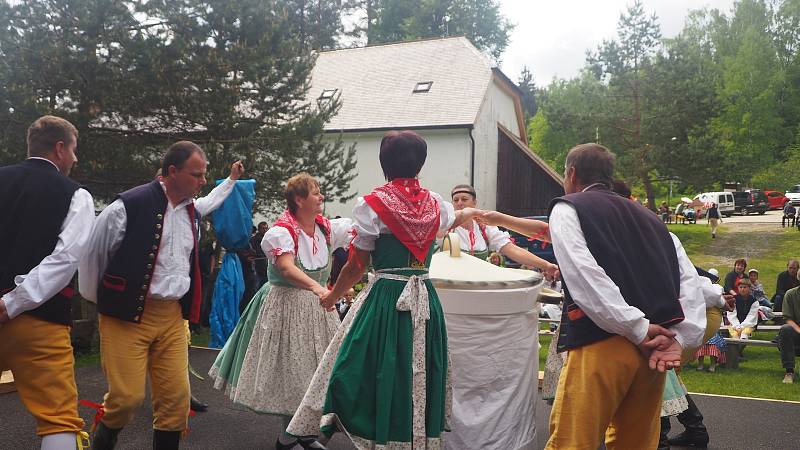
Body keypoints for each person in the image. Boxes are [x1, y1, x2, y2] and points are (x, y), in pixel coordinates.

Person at [482, 143, 706, 450]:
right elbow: (688, 284)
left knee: (575, 442)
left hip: (603, 343)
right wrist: (682, 338)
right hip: (653, 352)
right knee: (636, 444)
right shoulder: (654, 220)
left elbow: (585, 277)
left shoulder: (569, 208)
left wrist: (635, 327)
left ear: (572, 173)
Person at [284, 130, 480, 449]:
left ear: (384, 163)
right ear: (421, 163)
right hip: (426, 298)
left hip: (388, 297)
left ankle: (368, 430)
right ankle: (413, 437)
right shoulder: (437, 204)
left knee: (360, 365)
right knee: (416, 368)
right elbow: (451, 220)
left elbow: (356, 265)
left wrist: (333, 295)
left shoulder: (373, 205)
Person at [78, 141, 244, 450]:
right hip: (126, 316)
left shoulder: (192, 210)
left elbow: (213, 198)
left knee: (176, 403)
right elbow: (92, 256)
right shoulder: (127, 206)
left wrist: (231, 181)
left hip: (170, 318)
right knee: (126, 399)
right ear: (172, 172)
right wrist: (105, 301)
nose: (203, 181)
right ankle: (104, 440)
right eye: (197, 174)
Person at [208, 173, 353, 450]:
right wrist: (319, 288)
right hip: (286, 306)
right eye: (315, 192)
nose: (321, 196)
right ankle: (286, 439)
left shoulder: (326, 229)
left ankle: (306, 433)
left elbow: (364, 229)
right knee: (292, 372)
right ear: (299, 199)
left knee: (317, 371)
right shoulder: (281, 232)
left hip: (317, 308)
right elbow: (286, 268)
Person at [0, 116, 94, 450]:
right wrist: (11, 302)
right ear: (59, 148)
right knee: (58, 419)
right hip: (39, 322)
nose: (75, 158)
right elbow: (64, 261)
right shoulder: (77, 196)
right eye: (74, 150)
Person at [447, 184, 558, 279]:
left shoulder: (484, 228)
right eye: (456, 200)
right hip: (451, 286)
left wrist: (546, 265)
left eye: (464, 199)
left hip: (478, 284)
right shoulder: (446, 225)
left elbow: (512, 250)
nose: (460, 203)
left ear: (475, 202)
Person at [777, 285, 800, 383]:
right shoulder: (790, 294)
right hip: (796, 329)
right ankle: (789, 372)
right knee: (785, 329)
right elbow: (787, 318)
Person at [251, 221, 269, 287]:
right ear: (259, 229)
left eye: (266, 228)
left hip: (267, 269)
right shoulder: (253, 240)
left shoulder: (269, 240)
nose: (265, 230)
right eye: (263, 228)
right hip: (257, 269)